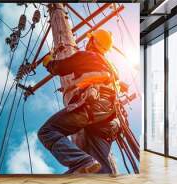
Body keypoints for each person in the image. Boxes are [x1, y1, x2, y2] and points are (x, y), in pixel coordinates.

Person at [37, 29, 122, 174]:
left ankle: (81, 162)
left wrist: (49, 62)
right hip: (110, 119)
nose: (88, 42)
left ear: (94, 41)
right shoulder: (111, 67)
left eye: (90, 40)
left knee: (47, 131)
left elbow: (60, 67)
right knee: (102, 167)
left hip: (93, 104)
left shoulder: (88, 56)